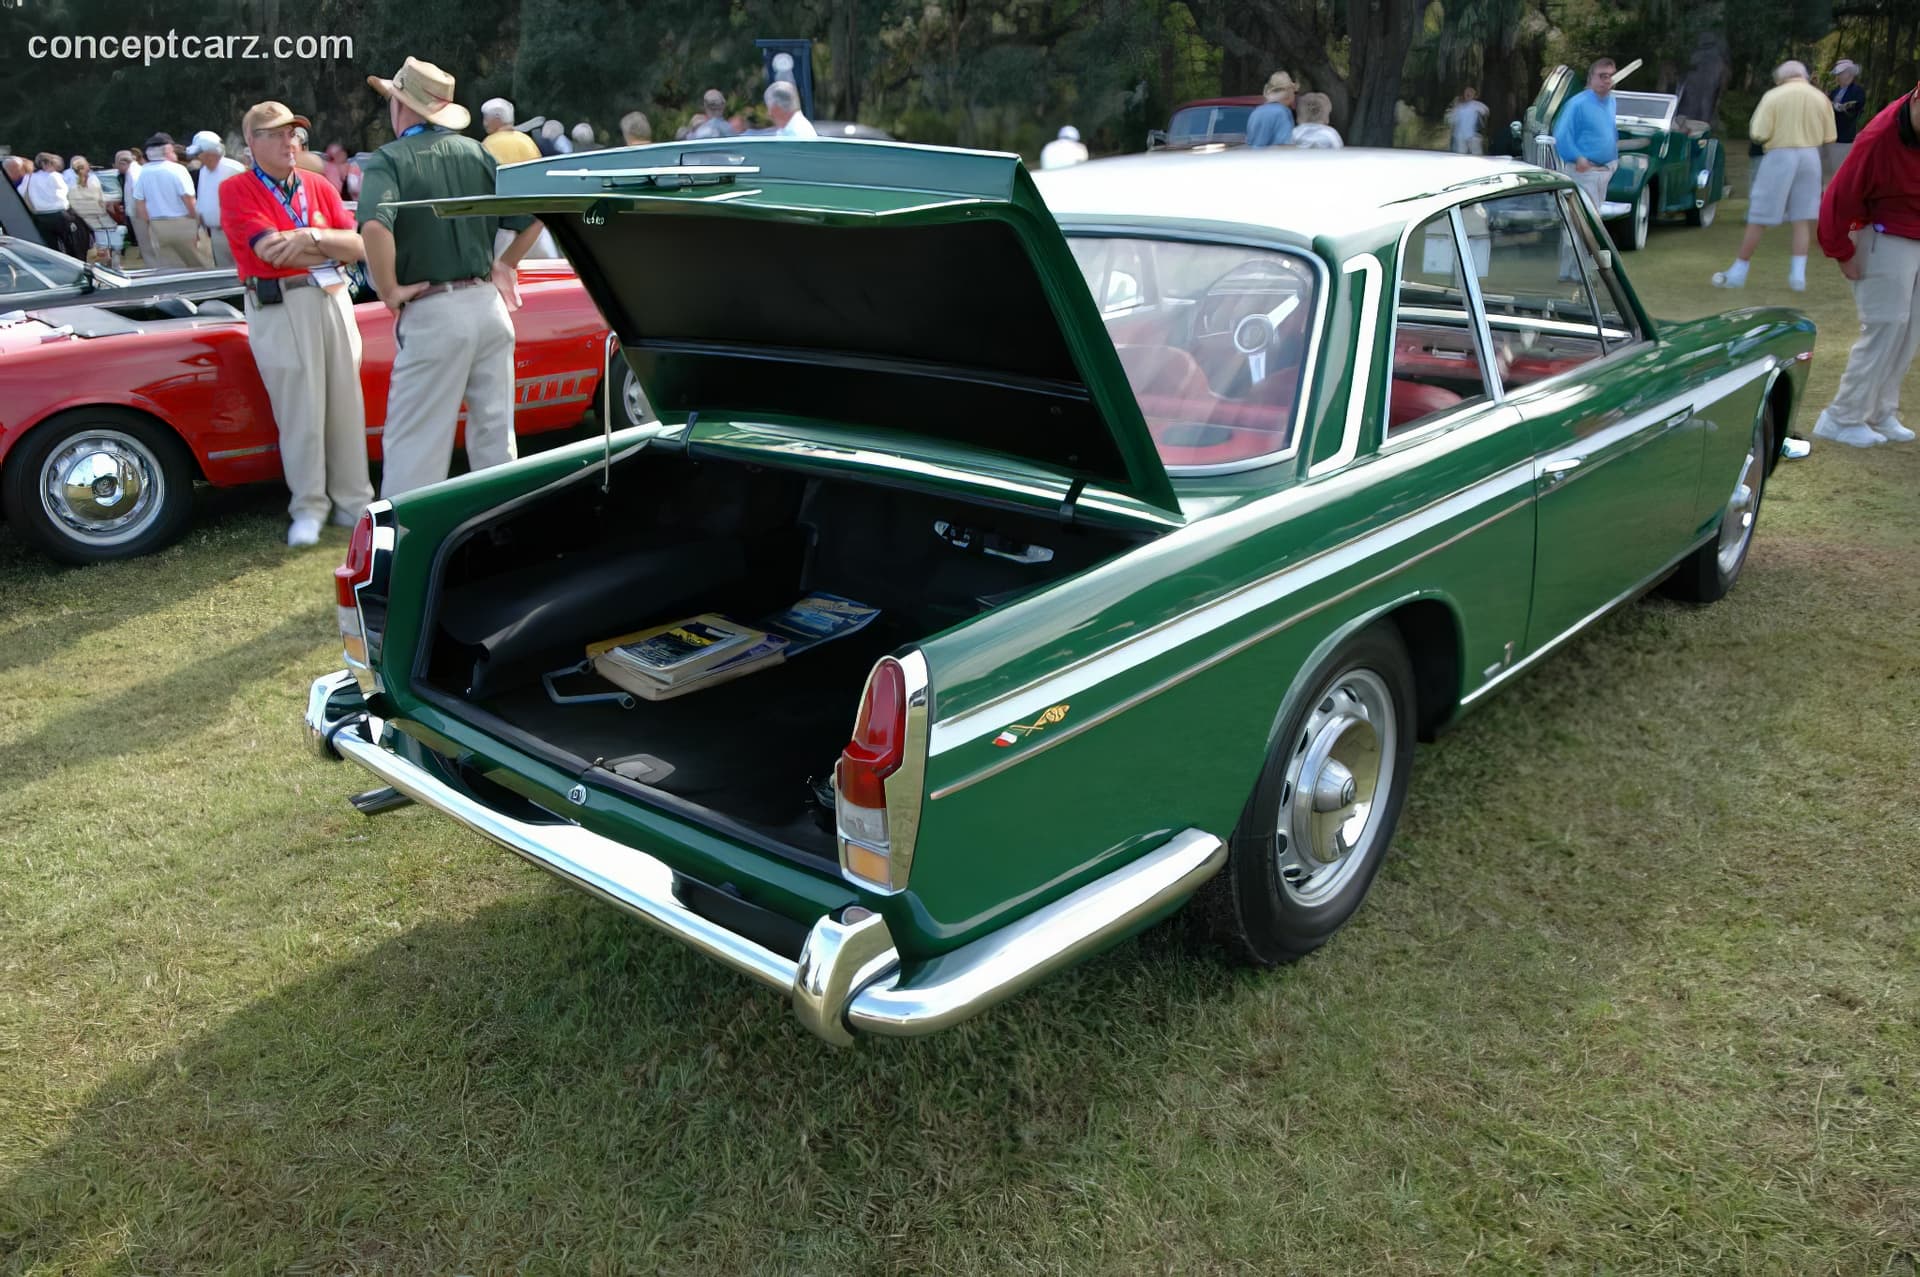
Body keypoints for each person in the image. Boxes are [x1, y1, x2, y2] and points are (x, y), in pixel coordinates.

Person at [357, 56, 546, 499]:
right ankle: (503, 537)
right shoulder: (478, 151)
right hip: (487, 306)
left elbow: (375, 226)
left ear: (400, 105)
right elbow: (535, 218)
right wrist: (505, 265)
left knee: (414, 449)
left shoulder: (390, 159)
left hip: (433, 310)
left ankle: (407, 550)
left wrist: (389, 290)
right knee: (496, 441)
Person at [221, 100, 372, 545]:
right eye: (277, 133)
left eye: (293, 133)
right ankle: (308, 506)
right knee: (300, 410)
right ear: (252, 142)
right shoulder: (237, 190)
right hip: (281, 306)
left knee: (347, 405)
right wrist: (331, 245)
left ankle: (354, 501)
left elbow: (358, 245)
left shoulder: (318, 184)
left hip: (332, 298)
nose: (290, 142)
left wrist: (310, 238)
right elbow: (267, 252)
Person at [1809, 85, 1920, 449]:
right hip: (1883, 236)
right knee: (1885, 326)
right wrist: (1840, 249)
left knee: (1908, 332)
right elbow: (1838, 194)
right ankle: (1841, 417)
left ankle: (1880, 411)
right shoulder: (1879, 135)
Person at [1713, 62, 1835, 292]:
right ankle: (1798, 275)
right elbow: (1830, 134)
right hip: (1810, 156)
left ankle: (1740, 270)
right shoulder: (1820, 98)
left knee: (1759, 215)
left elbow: (1758, 132)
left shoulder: (1773, 96)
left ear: (1781, 78)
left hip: (1781, 154)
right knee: (1802, 217)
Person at [133, 134, 210, 269]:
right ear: (167, 151)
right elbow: (189, 201)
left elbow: (140, 205)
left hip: (157, 225)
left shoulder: (143, 172)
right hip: (183, 223)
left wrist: (150, 226)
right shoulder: (178, 169)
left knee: (170, 268)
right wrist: (199, 224)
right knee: (200, 264)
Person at [1553, 58, 1619, 215]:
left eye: (1610, 75)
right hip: (1585, 172)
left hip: (1605, 171)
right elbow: (1561, 134)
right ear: (1591, 78)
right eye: (1602, 76)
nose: (1607, 80)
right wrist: (1578, 157)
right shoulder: (1577, 104)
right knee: (1583, 218)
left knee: (1594, 216)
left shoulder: (1611, 101)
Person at [186, 130, 244, 268]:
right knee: (222, 269)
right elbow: (204, 196)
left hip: (235, 232)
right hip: (215, 233)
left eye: (201, 154)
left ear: (211, 153)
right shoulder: (204, 171)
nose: (199, 157)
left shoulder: (234, 169)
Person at [66, 156, 125, 266]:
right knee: (108, 241)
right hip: (98, 214)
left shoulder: (67, 178)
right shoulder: (93, 179)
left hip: (81, 215)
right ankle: (113, 265)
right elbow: (100, 199)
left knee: (92, 242)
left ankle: (101, 264)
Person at [23, 153, 80, 256]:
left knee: (50, 248)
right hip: (59, 214)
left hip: (41, 216)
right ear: (47, 164)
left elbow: (22, 192)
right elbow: (67, 192)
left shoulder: (29, 177)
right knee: (71, 245)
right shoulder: (55, 176)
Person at [1826, 60, 1867, 181]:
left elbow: (1856, 107)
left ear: (1849, 74)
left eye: (1840, 74)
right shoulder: (1834, 91)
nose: (1837, 77)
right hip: (1832, 135)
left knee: (1841, 169)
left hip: (1846, 136)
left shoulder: (1857, 91)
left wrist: (1840, 107)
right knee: (1832, 169)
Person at [113, 149, 150, 265]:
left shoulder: (133, 173)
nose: (117, 169)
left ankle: (149, 263)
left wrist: (139, 212)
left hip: (137, 213)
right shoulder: (132, 171)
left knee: (144, 241)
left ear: (123, 163)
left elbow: (137, 194)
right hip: (135, 212)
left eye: (118, 165)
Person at [482, 98, 542, 165]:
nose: (485, 124)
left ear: (497, 119)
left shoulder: (489, 143)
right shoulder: (527, 140)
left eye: (486, 118)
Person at [1246, 71, 1297, 147]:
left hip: (1252, 158)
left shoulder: (1256, 111)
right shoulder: (1282, 113)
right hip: (1272, 158)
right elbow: (1285, 146)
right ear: (1289, 93)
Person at [1447, 86, 1489, 155]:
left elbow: (1485, 111)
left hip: (1473, 136)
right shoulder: (1459, 107)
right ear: (1464, 94)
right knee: (1461, 155)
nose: (1468, 93)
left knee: (1477, 155)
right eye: (1467, 92)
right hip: (1460, 136)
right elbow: (1451, 119)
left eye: (1471, 92)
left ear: (1474, 95)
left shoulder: (1476, 104)